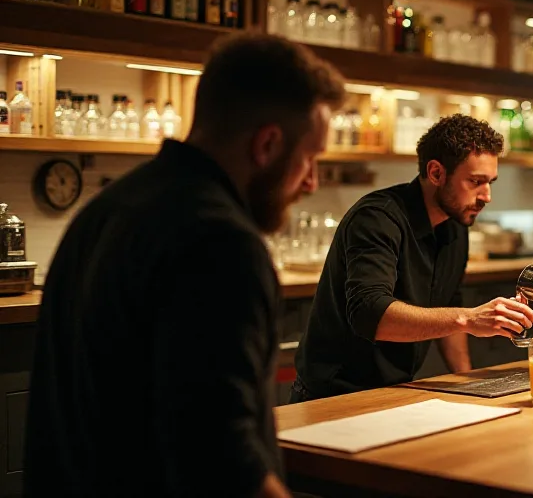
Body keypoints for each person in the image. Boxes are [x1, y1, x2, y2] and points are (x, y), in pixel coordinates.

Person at [23, 33, 345, 497]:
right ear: (268, 145)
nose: (311, 182)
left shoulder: (105, 210)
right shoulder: (221, 243)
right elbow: (221, 463)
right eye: (310, 157)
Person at [291, 114, 533, 401]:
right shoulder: (377, 218)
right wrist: (469, 319)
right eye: (475, 181)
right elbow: (371, 314)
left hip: (394, 390)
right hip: (332, 395)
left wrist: (470, 386)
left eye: (491, 182)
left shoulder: (456, 225)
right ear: (436, 173)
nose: (487, 196)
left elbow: (449, 306)